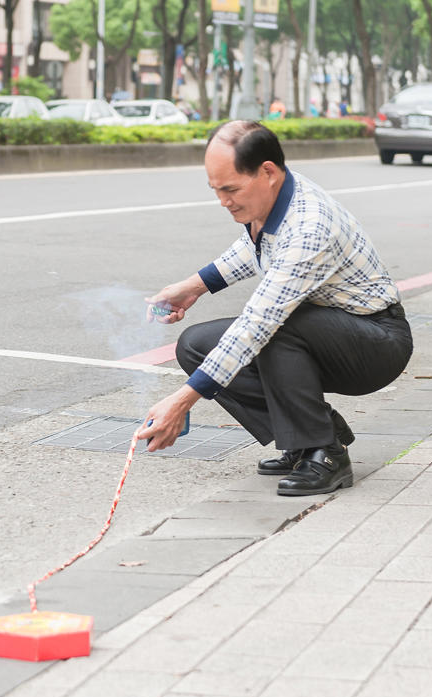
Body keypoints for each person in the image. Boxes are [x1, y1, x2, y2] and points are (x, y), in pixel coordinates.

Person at [137, 120, 413, 496]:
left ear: (267, 171)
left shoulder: (310, 225)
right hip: (326, 329)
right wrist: (194, 287)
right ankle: (309, 434)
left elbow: (258, 323)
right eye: (216, 190)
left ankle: (326, 452)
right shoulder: (275, 195)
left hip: (376, 342)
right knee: (196, 346)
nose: (223, 201)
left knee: (275, 328)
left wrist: (182, 401)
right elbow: (254, 251)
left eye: (231, 189)